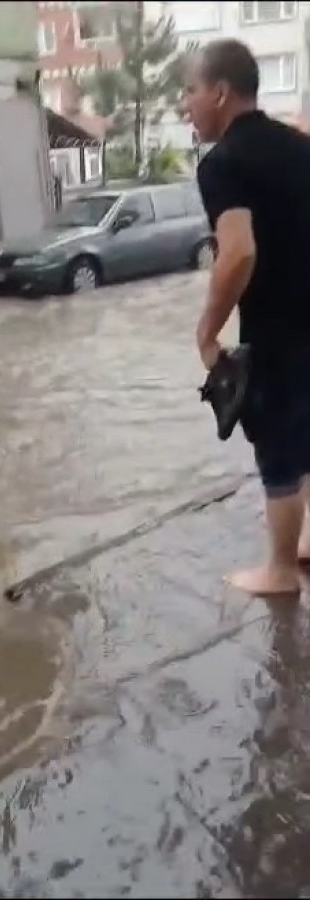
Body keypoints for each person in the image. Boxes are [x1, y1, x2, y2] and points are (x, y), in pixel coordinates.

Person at [183, 39, 310, 596]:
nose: (185, 104)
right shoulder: (301, 147)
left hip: (276, 332)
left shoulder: (223, 164)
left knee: (278, 449)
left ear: (220, 92)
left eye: (190, 90)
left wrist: (207, 332)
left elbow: (238, 253)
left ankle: (280, 569)